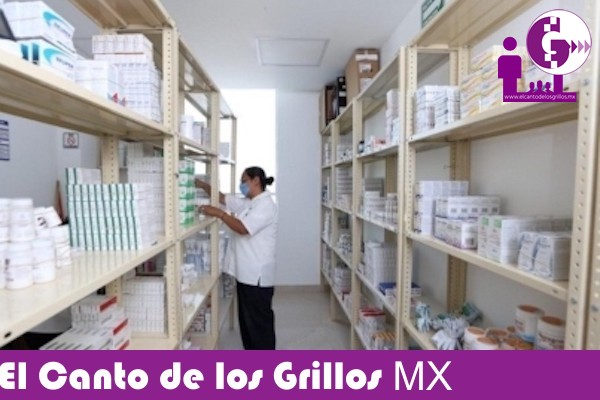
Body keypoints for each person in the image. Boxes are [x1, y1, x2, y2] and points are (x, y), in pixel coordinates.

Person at [196, 167, 278, 350]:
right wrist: (202, 185)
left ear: (256, 181)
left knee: (259, 325)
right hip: (246, 274)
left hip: (257, 277)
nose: (241, 185)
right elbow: (223, 198)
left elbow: (242, 228)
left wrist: (219, 214)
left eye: (244, 181)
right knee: (247, 323)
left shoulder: (265, 206)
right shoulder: (249, 203)